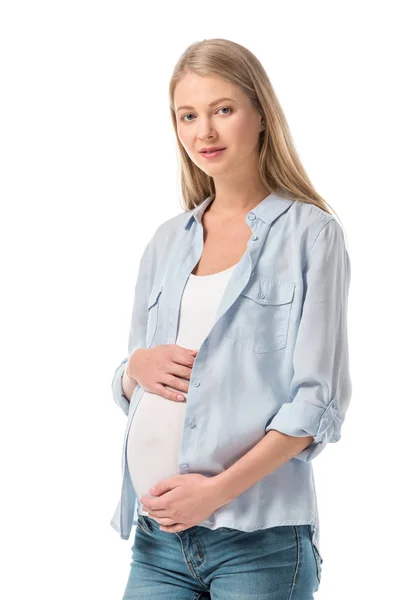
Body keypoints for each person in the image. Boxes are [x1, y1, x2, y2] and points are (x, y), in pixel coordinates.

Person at [110, 38, 352, 599]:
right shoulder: (167, 241)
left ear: (261, 114)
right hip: (157, 541)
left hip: (259, 544)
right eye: (187, 116)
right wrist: (133, 368)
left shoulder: (311, 234)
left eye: (223, 110)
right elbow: (136, 388)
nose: (205, 133)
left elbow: (317, 403)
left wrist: (214, 492)